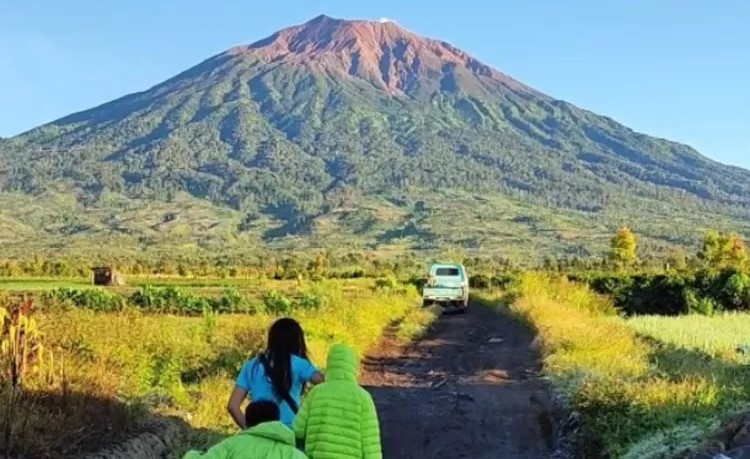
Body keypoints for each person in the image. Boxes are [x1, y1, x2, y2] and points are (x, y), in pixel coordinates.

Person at [228, 317, 324, 429]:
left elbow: (233, 406)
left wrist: (249, 430)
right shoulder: (299, 364)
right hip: (290, 433)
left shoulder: (252, 366)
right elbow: (325, 382)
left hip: (261, 432)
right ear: (297, 340)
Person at [293, 343, 382, 459]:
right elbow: (371, 444)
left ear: (330, 365)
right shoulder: (363, 397)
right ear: (353, 367)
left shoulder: (316, 393)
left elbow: (298, 429)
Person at [183, 400, 307, 459]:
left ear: (247, 423)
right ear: (277, 421)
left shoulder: (230, 445)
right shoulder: (293, 454)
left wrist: (192, 454)